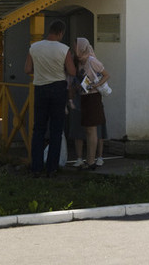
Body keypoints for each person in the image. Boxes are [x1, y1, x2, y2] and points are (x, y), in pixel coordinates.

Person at [25, 19, 75, 177]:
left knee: (38, 129)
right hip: (58, 89)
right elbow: (72, 72)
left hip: (40, 88)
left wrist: (40, 72)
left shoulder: (35, 47)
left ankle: (36, 166)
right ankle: (52, 167)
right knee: (56, 129)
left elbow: (27, 69)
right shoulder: (64, 49)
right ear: (61, 33)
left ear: (50, 30)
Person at [68, 37, 110, 170]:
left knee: (92, 130)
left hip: (93, 97)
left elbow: (106, 75)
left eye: (76, 46)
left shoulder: (91, 60)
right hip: (84, 97)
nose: (74, 49)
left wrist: (96, 85)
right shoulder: (79, 62)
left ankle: (91, 161)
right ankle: (88, 160)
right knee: (87, 129)